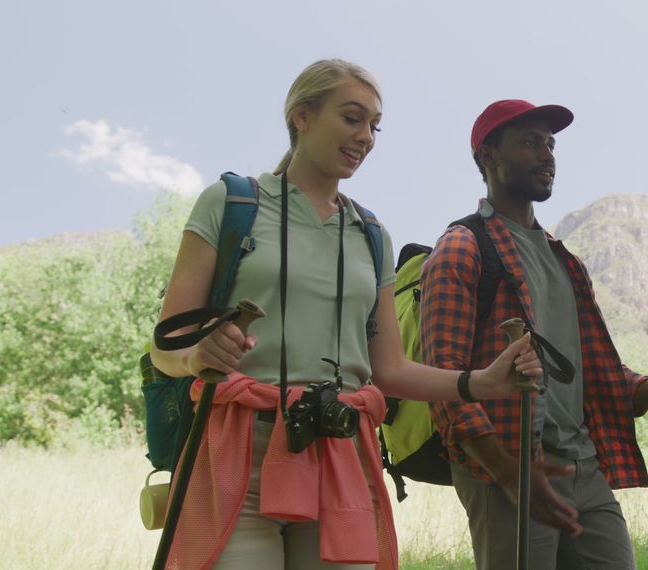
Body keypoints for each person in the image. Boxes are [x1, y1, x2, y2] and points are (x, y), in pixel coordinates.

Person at [149, 61, 543, 570]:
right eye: (353, 118)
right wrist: (196, 354)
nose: (365, 137)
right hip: (236, 450)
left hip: (339, 449)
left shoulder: (371, 234)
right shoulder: (230, 203)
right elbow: (165, 346)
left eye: (374, 125)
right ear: (302, 116)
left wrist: (482, 383)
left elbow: (389, 370)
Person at [419, 99, 648, 569]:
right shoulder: (462, 249)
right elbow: (445, 386)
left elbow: (599, 377)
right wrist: (511, 474)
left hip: (583, 465)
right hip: (505, 470)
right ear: (488, 157)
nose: (547, 154)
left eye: (550, 143)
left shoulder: (567, 263)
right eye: (529, 142)